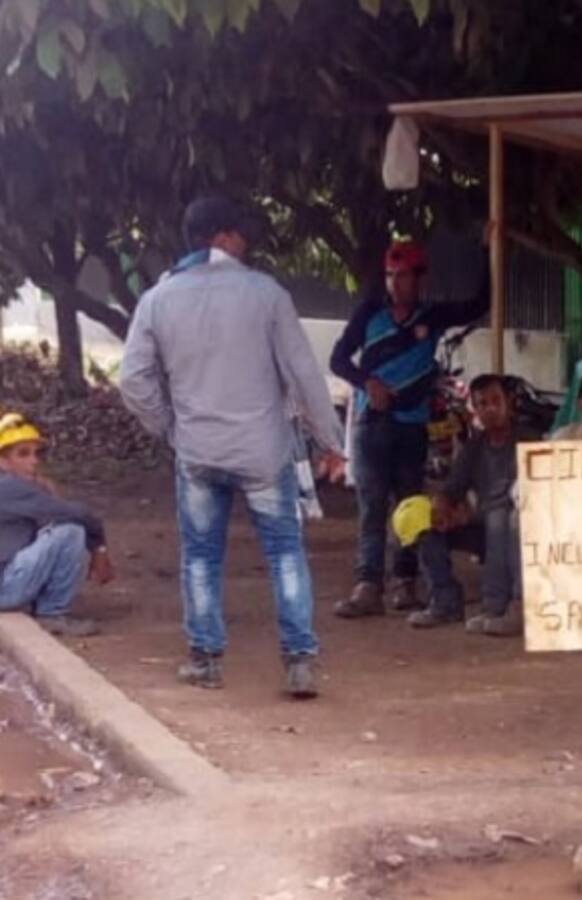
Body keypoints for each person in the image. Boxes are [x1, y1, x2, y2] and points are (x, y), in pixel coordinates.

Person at [119, 195, 345, 699]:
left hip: (197, 451)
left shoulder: (158, 299)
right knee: (286, 552)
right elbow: (303, 374)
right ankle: (300, 662)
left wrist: (170, 428)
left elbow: (132, 380)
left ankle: (204, 660)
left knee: (200, 556)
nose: (245, 245)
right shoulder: (266, 294)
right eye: (240, 235)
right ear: (222, 237)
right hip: (264, 451)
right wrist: (332, 442)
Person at [330, 230, 490, 619]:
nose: (396, 283)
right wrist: (367, 383)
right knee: (370, 507)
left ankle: (405, 583)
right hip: (371, 423)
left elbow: (479, 304)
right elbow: (338, 360)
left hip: (411, 426)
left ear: (421, 279)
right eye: (390, 275)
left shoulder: (431, 316)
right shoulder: (370, 314)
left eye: (403, 276)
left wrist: (488, 251)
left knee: (409, 506)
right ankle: (368, 585)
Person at [407, 374, 536, 636]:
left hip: (521, 522)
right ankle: (445, 602)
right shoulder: (474, 446)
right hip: (483, 520)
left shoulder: (528, 438)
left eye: (495, 401)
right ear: (474, 409)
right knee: (422, 522)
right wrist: (441, 509)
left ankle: (506, 606)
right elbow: (452, 487)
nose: (490, 408)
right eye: (482, 404)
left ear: (507, 403)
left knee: (503, 519)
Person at [0, 414, 114, 637]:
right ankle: (52, 613)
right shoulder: (9, 487)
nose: (34, 461)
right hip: (6, 589)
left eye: (36, 453)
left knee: (61, 529)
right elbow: (79, 514)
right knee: (70, 533)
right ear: (3, 461)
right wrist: (99, 548)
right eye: (23, 454)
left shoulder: (20, 488)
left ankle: (47, 610)